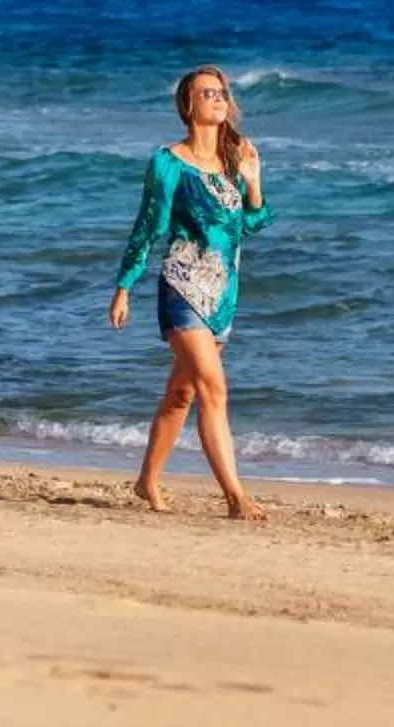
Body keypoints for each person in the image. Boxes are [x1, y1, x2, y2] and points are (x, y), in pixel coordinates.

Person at [109, 65, 273, 519]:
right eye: (208, 93)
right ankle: (237, 497)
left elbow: (251, 224)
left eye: (222, 92)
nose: (219, 99)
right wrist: (125, 286)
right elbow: (148, 227)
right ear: (188, 105)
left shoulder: (233, 158)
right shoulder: (168, 162)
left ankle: (146, 482)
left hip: (223, 294)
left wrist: (254, 181)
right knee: (213, 390)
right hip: (182, 287)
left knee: (182, 394)